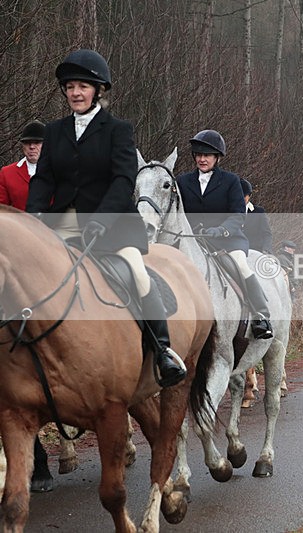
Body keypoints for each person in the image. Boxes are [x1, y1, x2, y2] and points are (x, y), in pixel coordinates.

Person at [25, 49, 185, 387]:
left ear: (98, 90)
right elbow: (43, 180)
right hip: (64, 222)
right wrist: (32, 220)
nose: (75, 93)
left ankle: (163, 350)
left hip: (112, 222)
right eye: (70, 87)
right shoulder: (54, 132)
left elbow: (123, 179)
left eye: (82, 86)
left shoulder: (118, 130)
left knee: (136, 272)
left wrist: (102, 219)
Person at [176, 129, 273, 339]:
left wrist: (221, 230)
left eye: (207, 155)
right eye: (199, 155)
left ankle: (261, 315)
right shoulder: (183, 182)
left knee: (240, 264)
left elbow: (238, 214)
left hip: (227, 241)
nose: (202, 159)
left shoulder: (230, 181)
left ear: (217, 157)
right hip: (194, 239)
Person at [0, 120, 45, 210]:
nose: (32, 147)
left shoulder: (60, 170)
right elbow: (2, 209)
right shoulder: (7, 173)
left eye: (37, 142)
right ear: (22, 145)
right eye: (27, 142)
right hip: (20, 222)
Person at [240, 178, 273, 254]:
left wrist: (266, 249)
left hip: (254, 252)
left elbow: (267, 233)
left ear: (249, 196)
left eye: (244, 196)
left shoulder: (258, 211)